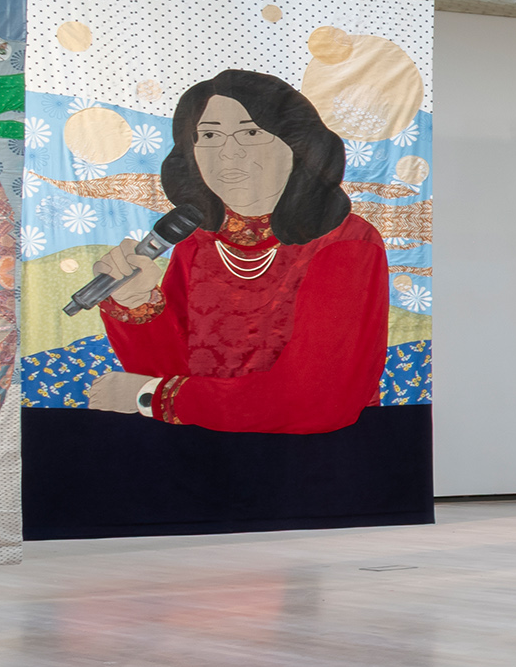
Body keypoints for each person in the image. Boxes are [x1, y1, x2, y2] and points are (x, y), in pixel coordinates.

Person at [82, 69, 388, 435]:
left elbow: (315, 399)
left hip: (315, 455)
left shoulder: (348, 242)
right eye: (210, 136)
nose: (228, 153)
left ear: (298, 145)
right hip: (207, 448)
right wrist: (136, 303)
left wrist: (149, 397)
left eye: (251, 133)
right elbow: (172, 371)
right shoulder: (198, 244)